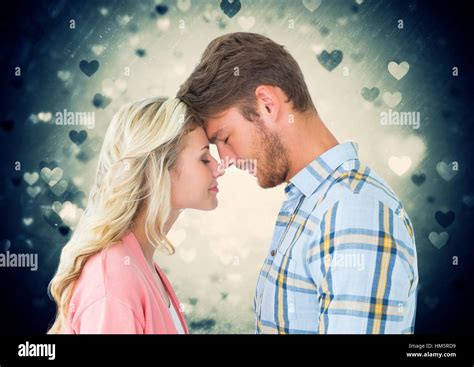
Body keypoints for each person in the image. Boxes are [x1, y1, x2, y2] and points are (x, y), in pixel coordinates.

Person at [178, 32, 419, 334]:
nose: (224, 159)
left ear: (267, 104)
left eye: (225, 138)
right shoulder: (311, 202)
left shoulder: (355, 212)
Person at [48, 97, 223, 334]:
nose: (219, 168)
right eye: (204, 158)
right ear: (158, 171)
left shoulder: (140, 264)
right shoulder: (114, 283)